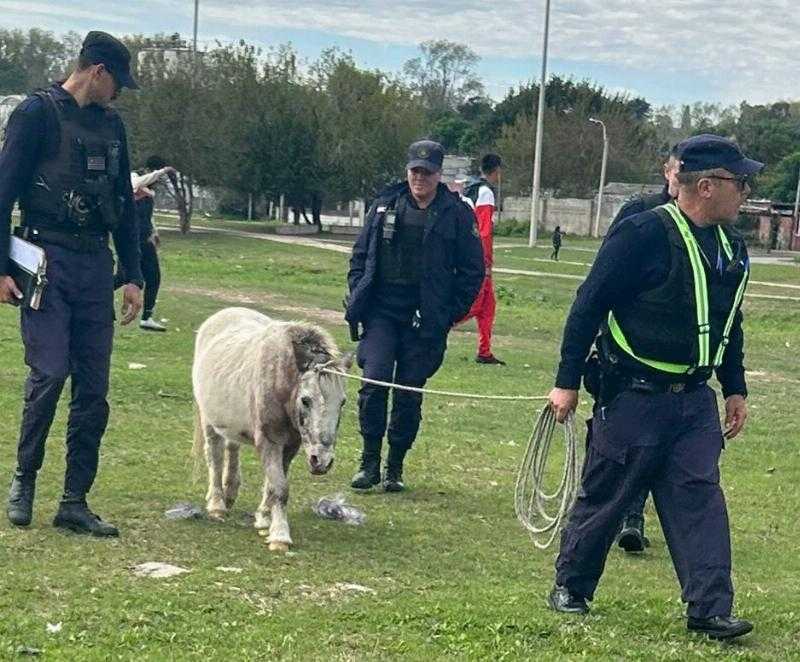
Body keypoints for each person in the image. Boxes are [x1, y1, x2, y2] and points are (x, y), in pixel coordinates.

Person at [546, 134, 762, 641]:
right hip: (633, 396)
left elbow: (728, 322)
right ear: (706, 186)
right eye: (740, 182)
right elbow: (587, 306)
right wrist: (566, 383)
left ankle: (709, 609)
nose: (746, 193)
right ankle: (572, 586)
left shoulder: (732, 246)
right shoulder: (642, 233)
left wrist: (735, 387)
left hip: (693, 402)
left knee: (699, 497)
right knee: (608, 495)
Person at [0, 31, 144, 537]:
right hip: (44, 259)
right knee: (49, 374)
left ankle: (74, 501)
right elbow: (4, 192)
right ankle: (24, 478)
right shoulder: (36, 115)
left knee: (94, 390)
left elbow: (124, 207)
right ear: (97, 71)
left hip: (92, 265)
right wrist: (0, 266)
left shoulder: (112, 126)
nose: (119, 93)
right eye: (117, 82)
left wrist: (132, 273)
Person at [345, 140, 484, 492]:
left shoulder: (456, 213)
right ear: (407, 171)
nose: (419, 178)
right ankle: (369, 462)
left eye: (427, 172)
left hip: (425, 319)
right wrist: (357, 292)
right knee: (374, 381)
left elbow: (472, 272)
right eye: (414, 171)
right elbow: (360, 257)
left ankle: (395, 467)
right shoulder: (384, 205)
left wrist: (447, 314)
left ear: (439, 174)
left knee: (408, 391)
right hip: (381, 312)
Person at [610, 145, 681, 553]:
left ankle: (632, 517)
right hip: (625, 350)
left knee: (654, 443)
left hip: (670, 360)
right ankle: (616, 513)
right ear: (667, 172)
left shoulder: (704, 226)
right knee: (624, 442)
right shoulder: (639, 216)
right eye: (677, 171)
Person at [114, 156, 175, 331]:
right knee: (122, 278)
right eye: (157, 175)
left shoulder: (149, 190)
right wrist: (161, 172)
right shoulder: (134, 177)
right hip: (130, 240)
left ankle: (147, 317)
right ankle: (93, 297)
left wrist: (155, 232)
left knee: (154, 277)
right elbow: (137, 184)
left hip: (146, 240)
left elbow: (149, 214)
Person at [459, 153, 505, 365]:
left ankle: (484, 351)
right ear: (496, 171)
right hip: (479, 257)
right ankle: (433, 328)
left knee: (488, 307)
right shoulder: (486, 193)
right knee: (475, 306)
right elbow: (484, 230)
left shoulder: (470, 189)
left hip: (467, 251)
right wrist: (485, 262)